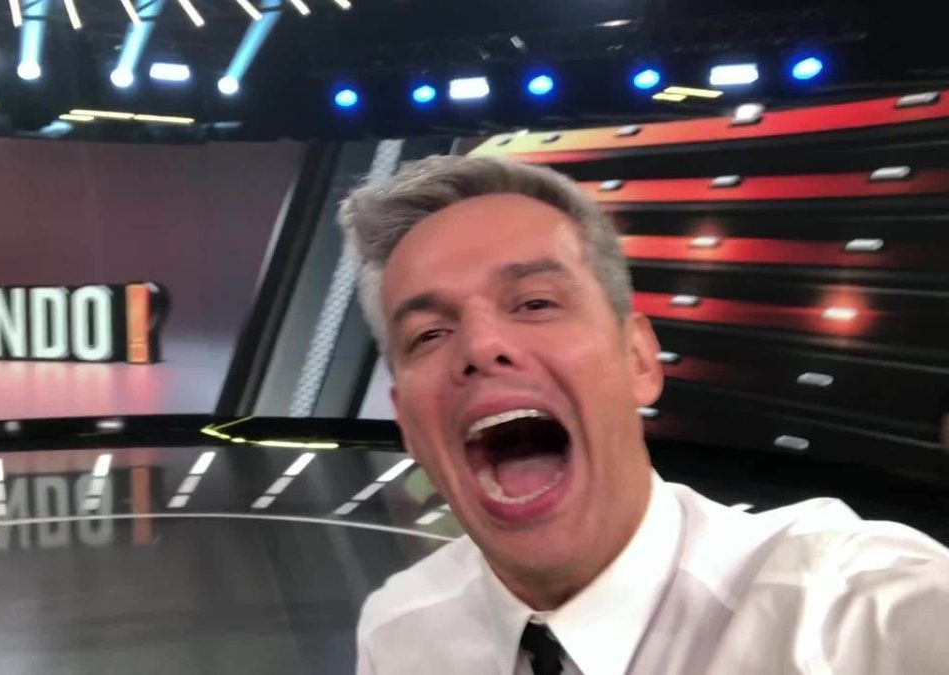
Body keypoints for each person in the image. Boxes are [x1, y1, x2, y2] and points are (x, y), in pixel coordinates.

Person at [338, 155, 949, 675]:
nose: (479, 346)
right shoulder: (398, 635)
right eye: (429, 333)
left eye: (535, 302)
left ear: (638, 359)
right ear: (407, 424)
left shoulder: (848, 613)